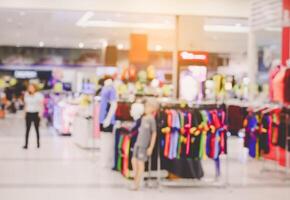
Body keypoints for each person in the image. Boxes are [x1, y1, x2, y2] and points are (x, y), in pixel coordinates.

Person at [131, 99, 158, 190]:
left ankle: (137, 184)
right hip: (137, 144)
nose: (145, 108)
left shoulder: (151, 119)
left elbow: (154, 133)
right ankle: (135, 181)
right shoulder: (143, 118)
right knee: (134, 161)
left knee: (140, 163)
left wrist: (151, 147)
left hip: (144, 145)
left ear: (153, 108)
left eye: (147, 107)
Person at [23, 84, 44, 149]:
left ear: (35, 88)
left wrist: (40, 113)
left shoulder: (39, 95)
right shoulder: (26, 95)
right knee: (27, 129)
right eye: (29, 87)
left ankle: (38, 143)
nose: (30, 89)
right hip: (29, 113)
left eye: (31, 87)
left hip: (36, 113)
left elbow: (41, 105)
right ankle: (26, 144)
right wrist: (24, 113)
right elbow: (26, 105)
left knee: (36, 129)